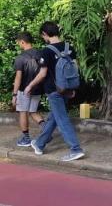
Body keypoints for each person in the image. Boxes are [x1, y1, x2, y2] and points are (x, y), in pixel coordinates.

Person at [25, 21, 85, 162]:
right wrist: (72, 87)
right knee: (54, 117)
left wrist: (30, 86)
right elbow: (75, 68)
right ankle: (39, 144)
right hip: (66, 88)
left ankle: (75, 149)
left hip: (54, 90)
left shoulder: (46, 51)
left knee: (62, 119)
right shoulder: (69, 47)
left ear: (45, 34)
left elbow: (42, 74)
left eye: (43, 36)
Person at [12, 32, 45, 147]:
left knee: (23, 112)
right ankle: (46, 132)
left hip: (23, 90)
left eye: (18, 42)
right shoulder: (41, 54)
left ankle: (26, 139)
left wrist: (14, 94)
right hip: (37, 89)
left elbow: (18, 78)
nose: (18, 44)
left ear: (22, 42)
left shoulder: (20, 58)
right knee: (33, 111)